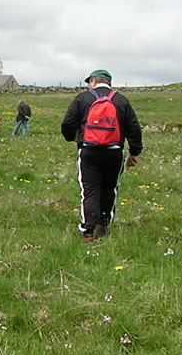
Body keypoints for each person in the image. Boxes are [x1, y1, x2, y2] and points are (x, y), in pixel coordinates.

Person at [60, 69, 142, 241]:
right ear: (109, 82)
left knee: (89, 189)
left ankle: (88, 231)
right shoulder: (121, 100)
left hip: (89, 150)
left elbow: (68, 123)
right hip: (114, 152)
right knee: (109, 188)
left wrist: (75, 139)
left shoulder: (83, 98)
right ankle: (103, 223)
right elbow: (133, 128)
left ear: (94, 82)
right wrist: (135, 152)